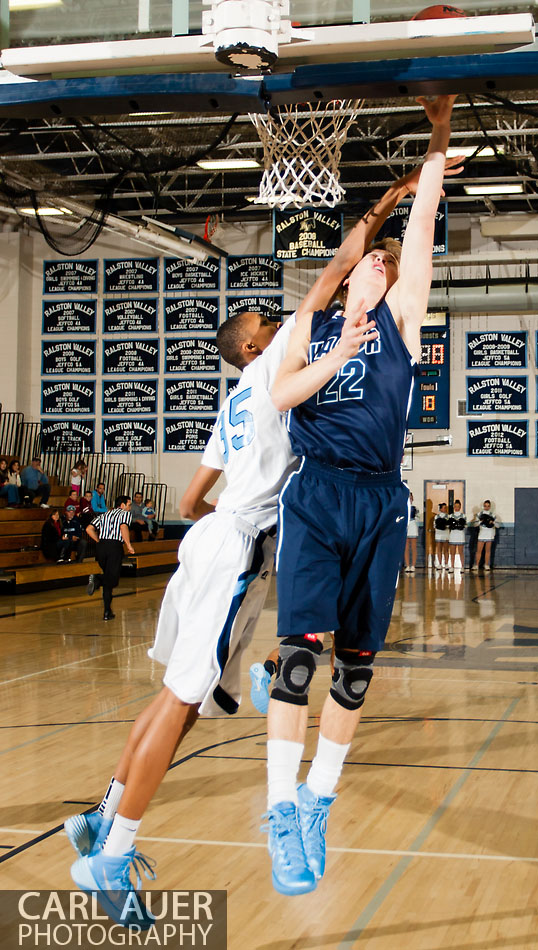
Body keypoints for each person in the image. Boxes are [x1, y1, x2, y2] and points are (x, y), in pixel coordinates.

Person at [64, 169, 435, 927]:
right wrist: (390, 199)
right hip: (237, 543)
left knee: (178, 697)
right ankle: (110, 852)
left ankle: (103, 814)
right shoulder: (279, 362)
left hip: (210, 533)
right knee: (186, 700)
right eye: (268, 319)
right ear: (256, 342)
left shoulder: (231, 401)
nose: (289, 316)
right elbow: (334, 270)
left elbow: (192, 496)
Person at [263, 95, 457, 896]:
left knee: (356, 667)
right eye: (368, 261)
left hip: (380, 500)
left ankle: (318, 802)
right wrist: (336, 344)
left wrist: (438, 133)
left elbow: (423, 219)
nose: (380, 264)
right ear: (347, 278)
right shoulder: (306, 328)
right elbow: (281, 399)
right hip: (316, 496)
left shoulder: (403, 323)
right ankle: (280, 811)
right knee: (301, 659)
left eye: (385, 262)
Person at [85, 495, 135, 621]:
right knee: (113, 579)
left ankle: (107, 611)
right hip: (114, 547)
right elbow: (123, 527)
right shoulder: (125, 514)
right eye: (129, 505)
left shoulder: (104, 515)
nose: (130, 507)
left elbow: (89, 529)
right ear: (122, 505)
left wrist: (98, 541)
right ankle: (97, 579)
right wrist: (129, 545)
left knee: (108, 580)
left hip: (101, 547)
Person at [472, 499, 497, 572]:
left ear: (490, 507)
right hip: (482, 534)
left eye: (488, 506)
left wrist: (493, 522)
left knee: (488, 551)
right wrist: (481, 521)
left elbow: (497, 525)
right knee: (479, 550)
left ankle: (486, 564)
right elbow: (475, 524)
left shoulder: (493, 515)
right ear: (483, 506)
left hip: (489, 534)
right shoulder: (479, 514)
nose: (486, 507)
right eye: (485, 506)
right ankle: (476, 565)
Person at [448, 499, 467, 573]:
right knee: (452, 552)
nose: (456, 508)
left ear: (460, 507)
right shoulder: (450, 516)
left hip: (460, 535)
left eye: (458, 506)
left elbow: (465, 525)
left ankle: (462, 567)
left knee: (460, 552)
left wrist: (461, 525)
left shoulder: (463, 515)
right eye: (455, 506)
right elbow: (448, 525)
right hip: (453, 535)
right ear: (453, 507)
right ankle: (452, 566)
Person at [404, 491, 419, 573]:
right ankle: (407, 565)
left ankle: (413, 565)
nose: (410, 499)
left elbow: (418, 517)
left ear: (412, 498)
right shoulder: (402, 507)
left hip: (413, 526)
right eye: (408, 497)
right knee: (406, 547)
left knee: (413, 547)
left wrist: (414, 518)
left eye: (411, 497)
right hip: (406, 526)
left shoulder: (415, 508)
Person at [433, 502, 450, 570]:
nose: (445, 509)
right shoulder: (436, 516)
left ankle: (446, 563)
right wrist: (439, 525)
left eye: (446, 508)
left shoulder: (448, 516)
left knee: (446, 550)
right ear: (440, 509)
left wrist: (445, 525)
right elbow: (434, 525)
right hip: (438, 534)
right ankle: (439, 564)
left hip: (446, 534)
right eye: (444, 507)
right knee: (439, 549)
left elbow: (449, 525)